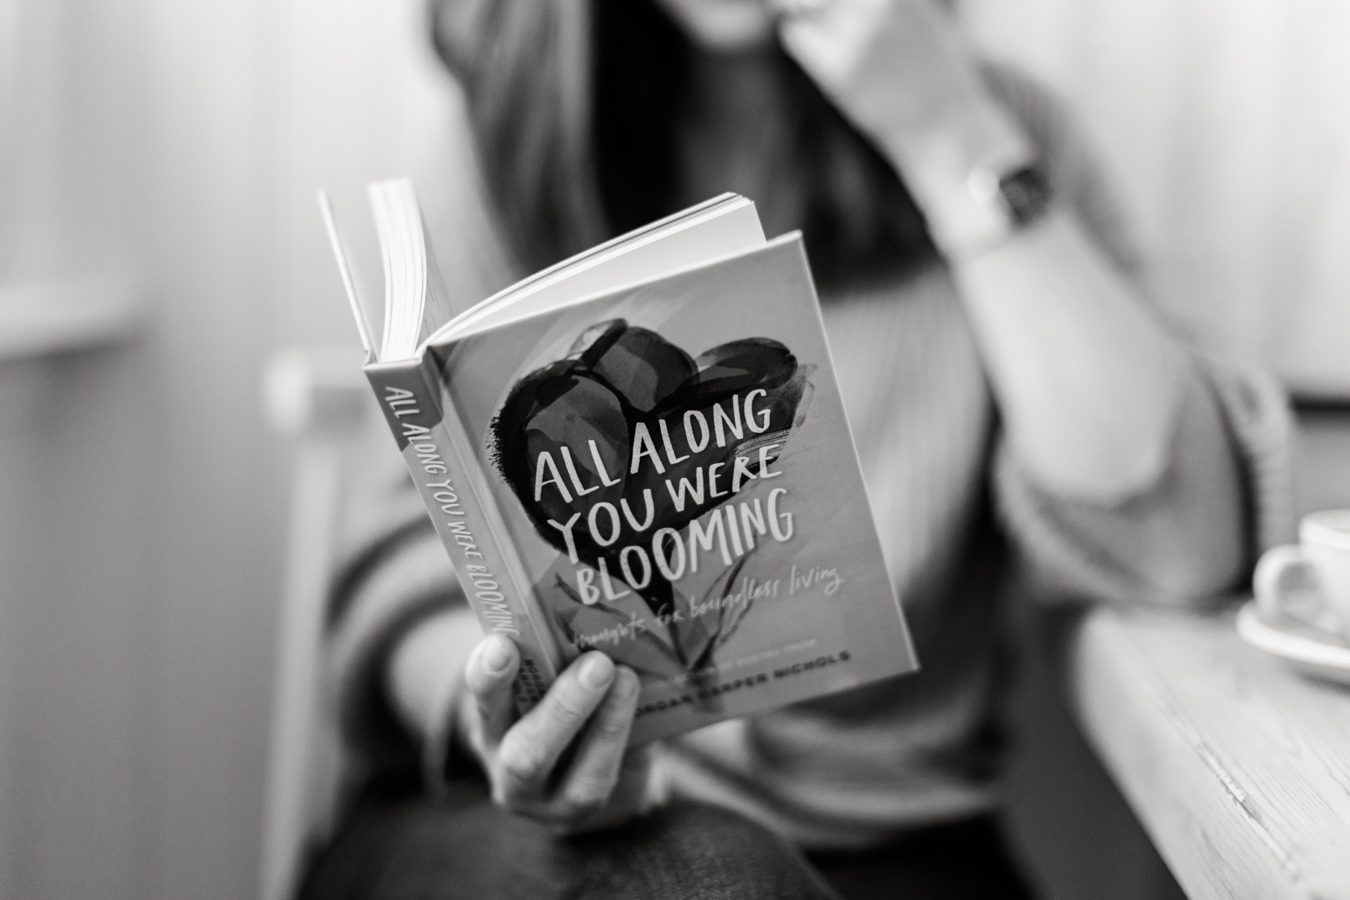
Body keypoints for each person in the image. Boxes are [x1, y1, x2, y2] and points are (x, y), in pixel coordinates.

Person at [303, 1, 1293, 897]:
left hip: (887, 843)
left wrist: (949, 139)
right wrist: (521, 734)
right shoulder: (512, 135)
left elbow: (1177, 540)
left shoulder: (1005, 129)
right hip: (496, 828)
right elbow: (409, 558)